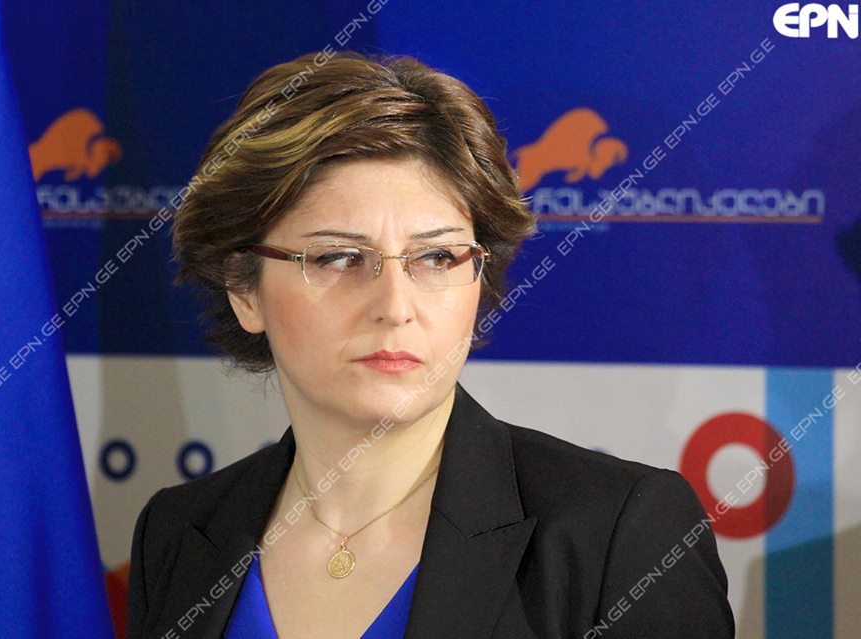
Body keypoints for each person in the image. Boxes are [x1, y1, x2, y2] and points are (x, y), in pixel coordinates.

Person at [126, 51, 734, 639]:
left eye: (437, 257)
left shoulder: (618, 537)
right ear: (244, 290)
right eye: (339, 257)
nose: (395, 306)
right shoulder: (178, 531)